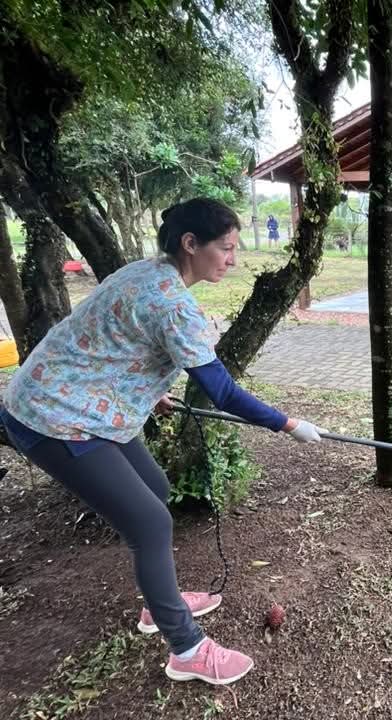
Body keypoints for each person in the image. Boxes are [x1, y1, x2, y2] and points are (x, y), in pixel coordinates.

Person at [0, 198, 327, 685]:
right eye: (227, 248)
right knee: (150, 523)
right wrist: (287, 423)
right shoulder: (173, 305)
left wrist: (149, 392)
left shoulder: (145, 272)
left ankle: (161, 601)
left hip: (87, 405)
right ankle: (186, 648)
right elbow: (222, 391)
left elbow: (109, 339)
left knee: (154, 488)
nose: (232, 259)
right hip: (52, 417)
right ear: (190, 244)